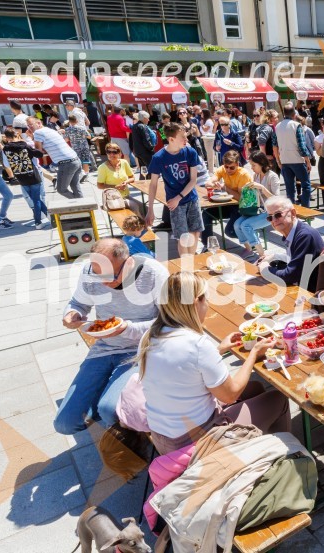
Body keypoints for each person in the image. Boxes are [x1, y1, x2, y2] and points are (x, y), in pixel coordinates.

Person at [138, 271, 290, 455]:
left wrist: (219, 349)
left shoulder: (150, 335)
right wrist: (254, 354)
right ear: (196, 302)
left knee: (256, 387)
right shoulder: (197, 344)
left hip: (164, 437)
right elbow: (230, 395)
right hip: (197, 443)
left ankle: (255, 445)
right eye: (206, 300)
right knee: (279, 399)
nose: (207, 305)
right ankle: (282, 457)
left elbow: (182, 367)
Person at [56, 238, 168, 435]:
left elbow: (169, 321)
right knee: (65, 424)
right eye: (98, 275)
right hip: (104, 348)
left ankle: (125, 413)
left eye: (111, 276)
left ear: (128, 261)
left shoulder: (153, 272)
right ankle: (111, 400)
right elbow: (78, 303)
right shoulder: (90, 272)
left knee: (110, 412)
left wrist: (127, 329)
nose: (104, 282)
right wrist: (71, 313)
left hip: (141, 350)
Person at [146, 122, 203, 256]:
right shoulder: (159, 158)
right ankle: (186, 265)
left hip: (190, 198)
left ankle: (192, 262)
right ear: (171, 139)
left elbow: (193, 180)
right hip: (175, 204)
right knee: (182, 237)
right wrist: (150, 210)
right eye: (182, 137)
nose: (186, 140)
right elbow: (153, 184)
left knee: (195, 232)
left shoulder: (190, 151)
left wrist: (179, 197)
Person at [257, 196, 324, 289]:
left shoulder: (305, 236)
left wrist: (265, 268)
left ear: (293, 213)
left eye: (278, 214)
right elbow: (296, 258)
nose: (274, 220)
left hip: (312, 293)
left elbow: (290, 276)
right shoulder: (293, 232)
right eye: (270, 217)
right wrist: (274, 257)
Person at [231, 151, 279, 254]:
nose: (251, 168)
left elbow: (277, 200)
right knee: (236, 225)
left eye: (253, 165)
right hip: (257, 210)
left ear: (261, 163)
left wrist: (262, 188)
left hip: (271, 212)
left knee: (246, 226)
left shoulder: (272, 176)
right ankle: (249, 251)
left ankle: (261, 255)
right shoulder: (255, 176)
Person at [200, 150, 250, 248]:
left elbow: (241, 198)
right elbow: (208, 183)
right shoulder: (222, 169)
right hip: (229, 204)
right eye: (226, 167)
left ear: (237, 164)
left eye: (232, 167)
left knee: (230, 232)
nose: (228, 170)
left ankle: (250, 236)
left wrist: (225, 187)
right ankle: (208, 245)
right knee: (206, 213)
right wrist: (213, 185)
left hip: (243, 206)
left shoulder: (243, 174)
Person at [2, 128, 49, 228]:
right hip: (32, 174)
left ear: (6, 137)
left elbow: (6, 164)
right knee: (36, 199)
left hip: (20, 176)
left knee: (34, 198)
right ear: (16, 135)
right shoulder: (24, 145)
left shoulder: (5, 149)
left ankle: (49, 215)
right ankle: (38, 222)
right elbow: (39, 154)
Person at [28, 116, 83, 199]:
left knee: (61, 189)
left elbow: (38, 152)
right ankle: (83, 205)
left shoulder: (38, 133)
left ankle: (80, 203)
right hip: (75, 160)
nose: (29, 127)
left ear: (39, 123)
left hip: (66, 163)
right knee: (75, 186)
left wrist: (31, 138)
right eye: (28, 126)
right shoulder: (50, 130)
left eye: (31, 125)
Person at [273, 102, 313, 207]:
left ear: (284, 114)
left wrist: (278, 160)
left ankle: (291, 210)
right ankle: (305, 208)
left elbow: (274, 145)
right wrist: (307, 161)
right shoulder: (296, 125)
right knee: (306, 185)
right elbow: (302, 145)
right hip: (297, 160)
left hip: (285, 160)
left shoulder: (277, 126)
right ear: (294, 114)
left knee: (289, 188)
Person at [97, 142, 145, 216]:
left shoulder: (124, 162)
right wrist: (115, 187)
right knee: (135, 207)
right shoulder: (102, 167)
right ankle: (141, 226)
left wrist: (125, 182)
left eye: (114, 152)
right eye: (108, 152)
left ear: (119, 153)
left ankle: (141, 226)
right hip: (113, 199)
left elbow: (132, 178)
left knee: (145, 209)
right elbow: (99, 185)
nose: (111, 154)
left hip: (126, 196)